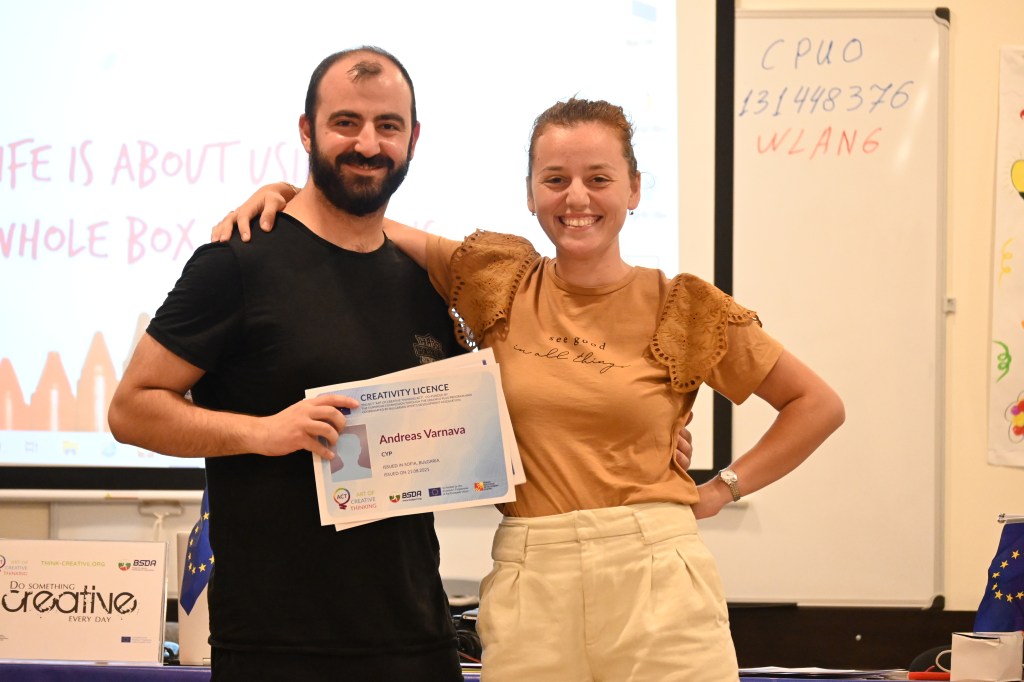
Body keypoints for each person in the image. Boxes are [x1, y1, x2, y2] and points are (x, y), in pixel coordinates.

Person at [217, 98, 845, 681]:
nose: (577, 197)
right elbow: (367, 228)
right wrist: (291, 195)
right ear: (530, 193)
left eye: (599, 178)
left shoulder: (684, 306)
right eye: (555, 179)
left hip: (658, 578)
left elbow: (817, 405)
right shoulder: (497, 278)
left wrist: (720, 489)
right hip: (531, 575)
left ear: (633, 189)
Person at [108, 46, 468, 681]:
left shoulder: (426, 282)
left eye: (387, 125)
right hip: (277, 649)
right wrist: (264, 433)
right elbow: (131, 409)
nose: (368, 144)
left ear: (413, 139)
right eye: (345, 122)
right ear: (307, 131)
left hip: (418, 642)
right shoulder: (237, 261)